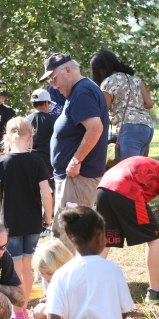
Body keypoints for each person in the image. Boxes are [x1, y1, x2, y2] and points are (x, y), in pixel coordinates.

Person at [46, 206, 137, 319]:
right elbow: (124, 310)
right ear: (100, 237)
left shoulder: (61, 275)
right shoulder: (113, 270)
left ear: (69, 237)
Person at [0, 117, 53, 319]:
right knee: (27, 266)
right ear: (30, 136)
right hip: (34, 222)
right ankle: (23, 308)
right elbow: (46, 194)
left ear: (7, 137)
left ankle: (19, 314)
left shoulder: (0, 163)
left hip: (11, 223)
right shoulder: (37, 162)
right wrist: (48, 217)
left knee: (15, 268)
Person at [38, 53, 109, 240]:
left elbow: (95, 128)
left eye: (53, 78)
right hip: (73, 178)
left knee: (67, 240)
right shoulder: (80, 90)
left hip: (78, 178)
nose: (52, 84)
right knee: (63, 235)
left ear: (67, 70)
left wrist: (76, 160)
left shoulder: (82, 92)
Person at [96, 156, 159, 303]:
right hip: (125, 189)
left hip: (104, 186)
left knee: (106, 238)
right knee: (154, 239)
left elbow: (139, 210)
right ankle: (155, 291)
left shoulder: (151, 169)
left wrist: (150, 233)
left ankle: (86, 285)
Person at [90, 50, 154, 160]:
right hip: (147, 127)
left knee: (128, 170)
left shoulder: (108, 82)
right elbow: (149, 104)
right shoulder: (135, 79)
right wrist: (133, 106)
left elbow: (103, 110)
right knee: (141, 169)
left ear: (101, 69)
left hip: (130, 128)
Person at [31, 240, 74, 319]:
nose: (46, 277)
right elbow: (52, 301)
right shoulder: (48, 279)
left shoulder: (75, 278)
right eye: (42, 273)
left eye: (49, 273)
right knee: (40, 311)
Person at [26, 88, 57, 206]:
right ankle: (49, 212)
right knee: (49, 187)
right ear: (46, 103)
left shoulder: (25, 120)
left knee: (32, 187)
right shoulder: (54, 121)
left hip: (29, 159)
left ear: (33, 104)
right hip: (48, 160)